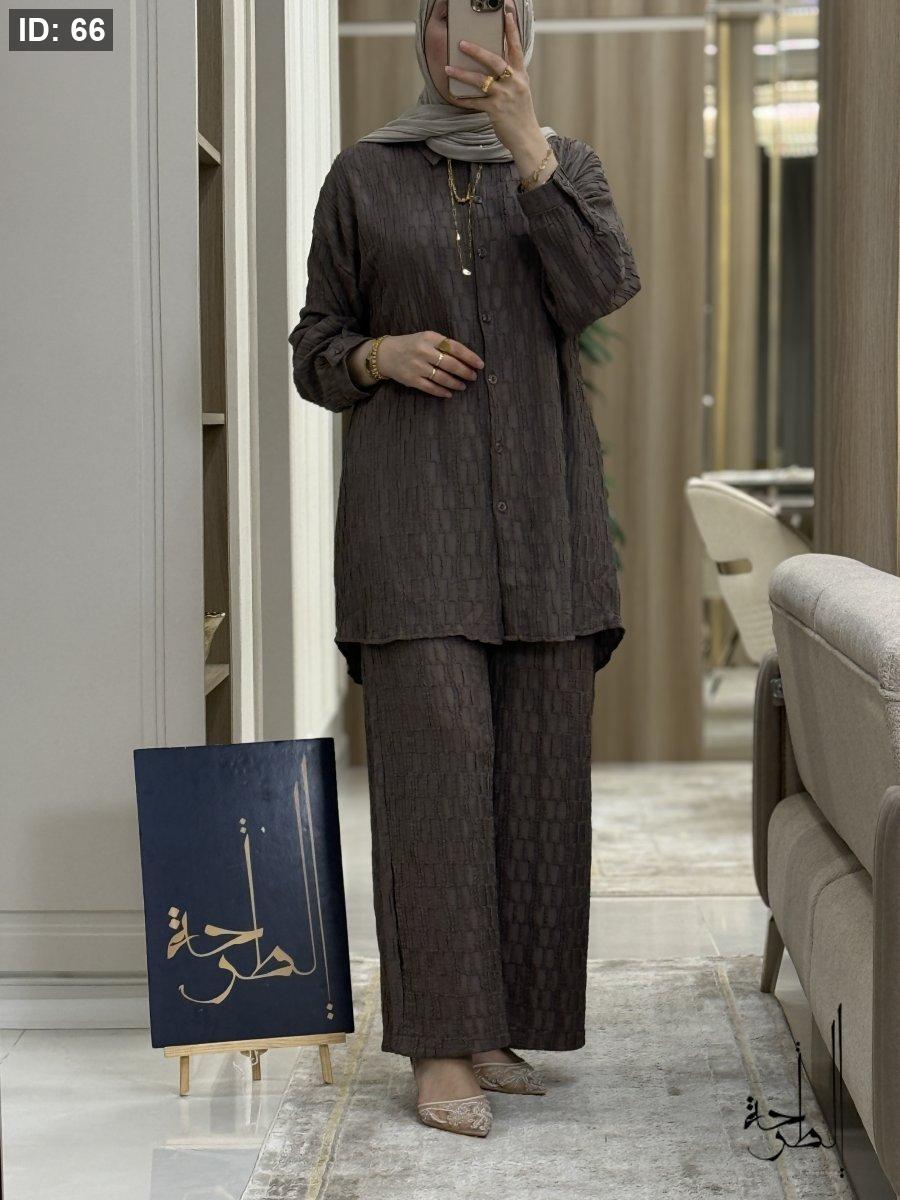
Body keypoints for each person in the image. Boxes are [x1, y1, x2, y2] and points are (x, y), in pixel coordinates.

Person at [289, 0, 641, 1138]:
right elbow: (314, 348)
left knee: (538, 786)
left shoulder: (566, 166)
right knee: (435, 783)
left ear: (521, 33)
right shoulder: (362, 175)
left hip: (545, 529)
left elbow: (599, 292)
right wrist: (376, 354)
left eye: (487, 19)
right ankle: (439, 1046)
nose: (463, 45)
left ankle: (498, 1027)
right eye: (443, 20)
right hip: (413, 530)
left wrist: (530, 148)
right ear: (423, 35)